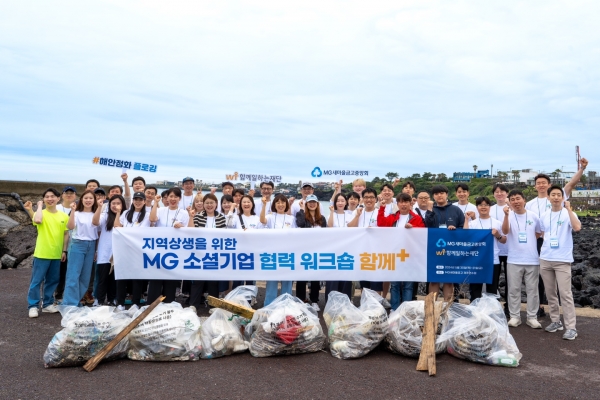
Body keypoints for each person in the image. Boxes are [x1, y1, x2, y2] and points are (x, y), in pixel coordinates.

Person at [539, 185, 581, 340]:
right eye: (553, 195)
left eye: (559, 195)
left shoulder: (568, 214)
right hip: (545, 258)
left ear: (563, 198)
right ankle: (555, 321)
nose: (556, 197)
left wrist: (569, 209)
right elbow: (543, 233)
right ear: (549, 197)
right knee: (550, 293)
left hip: (562, 259)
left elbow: (577, 227)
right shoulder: (544, 215)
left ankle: (571, 327)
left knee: (565, 294)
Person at [24, 189, 69, 317]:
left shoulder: (64, 216)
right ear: (43, 200)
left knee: (53, 280)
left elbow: (66, 234)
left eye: (52, 196)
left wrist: (64, 250)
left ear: (58, 198)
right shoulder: (40, 213)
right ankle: (33, 306)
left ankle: (47, 304)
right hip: (42, 253)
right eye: (47, 197)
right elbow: (37, 220)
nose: (50, 199)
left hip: (56, 254)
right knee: (36, 281)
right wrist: (38, 206)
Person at [502, 189, 543, 329]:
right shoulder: (509, 215)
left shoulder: (533, 216)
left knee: (533, 290)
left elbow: (538, 233)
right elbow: (505, 231)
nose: (515, 201)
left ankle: (532, 317)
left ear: (524, 200)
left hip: (532, 259)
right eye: (512, 199)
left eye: (518, 198)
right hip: (513, 259)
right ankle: (515, 316)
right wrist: (506, 216)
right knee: (514, 289)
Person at [378, 193, 425, 310]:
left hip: (410, 256)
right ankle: (395, 309)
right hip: (394, 254)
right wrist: (382, 208)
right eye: (401, 202)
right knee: (394, 285)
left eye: (406, 202)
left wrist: (414, 229)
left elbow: (423, 233)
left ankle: (406, 310)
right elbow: (381, 223)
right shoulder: (393, 217)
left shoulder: (417, 218)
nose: (403, 204)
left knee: (408, 286)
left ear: (410, 204)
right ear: (397, 204)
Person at [147, 187, 190, 303]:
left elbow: (189, 230)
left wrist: (181, 227)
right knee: (156, 278)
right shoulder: (161, 210)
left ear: (179, 198)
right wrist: (155, 203)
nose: (173, 199)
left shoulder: (184, 213)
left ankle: (169, 303)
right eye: (170, 196)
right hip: (159, 249)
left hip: (174, 250)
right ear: (166, 198)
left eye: (176, 196)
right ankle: (152, 303)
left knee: (170, 279)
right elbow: (152, 219)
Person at [424, 185, 465, 301]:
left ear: (447, 194)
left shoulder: (456, 210)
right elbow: (427, 224)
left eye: (442, 193)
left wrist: (455, 229)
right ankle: (431, 309)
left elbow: (463, 228)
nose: (439, 195)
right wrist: (429, 210)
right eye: (436, 194)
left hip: (451, 250)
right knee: (433, 279)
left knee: (449, 280)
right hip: (433, 250)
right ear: (433, 196)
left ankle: (448, 308)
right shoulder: (431, 209)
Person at [187, 193, 226, 311]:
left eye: (211, 203)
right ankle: (193, 305)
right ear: (203, 204)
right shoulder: (198, 216)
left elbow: (224, 235)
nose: (209, 205)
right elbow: (191, 231)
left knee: (213, 281)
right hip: (200, 253)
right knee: (198, 281)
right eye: (207, 203)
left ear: (216, 204)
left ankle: (213, 305)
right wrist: (191, 217)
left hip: (214, 253)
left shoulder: (221, 217)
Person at [463, 196, 506, 300]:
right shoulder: (472, 223)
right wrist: (466, 219)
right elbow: (465, 236)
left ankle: (490, 313)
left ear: (489, 207)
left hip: (493, 260)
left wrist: (497, 235)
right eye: (480, 205)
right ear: (477, 207)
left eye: (486, 205)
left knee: (492, 288)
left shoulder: (497, 223)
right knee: (475, 288)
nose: (483, 207)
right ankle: (474, 312)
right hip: (476, 260)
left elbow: (504, 240)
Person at [114, 191, 152, 309]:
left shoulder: (147, 215)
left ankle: (136, 302)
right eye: (136, 199)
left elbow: (153, 222)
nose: (138, 202)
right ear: (133, 201)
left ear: (145, 201)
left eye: (140, 199)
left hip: (139, 251)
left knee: (137, 277)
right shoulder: (125, 213)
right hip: (124, 249)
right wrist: (118, 212)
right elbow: (117, 226)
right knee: (122, 276)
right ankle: (120, 302)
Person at [63, 189, 99, 306]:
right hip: (78, 244)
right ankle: (69, 304)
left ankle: (77, 300)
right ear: (81, 200)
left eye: (91, 198)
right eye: (86, 198)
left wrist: (96, 250)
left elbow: (97, 230)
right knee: (73, 275)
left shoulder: (96, 214)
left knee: (85, 276)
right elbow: (70, 226)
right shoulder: (77, 213)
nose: (88, 200)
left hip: (91, 244)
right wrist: (73, 211)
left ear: (94, 200)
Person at [260, 194, 296, 306]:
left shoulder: (292, 218)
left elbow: (296, 235)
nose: (280, 205)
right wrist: (264, 205)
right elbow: (262, 220)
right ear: (274, 204)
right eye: (278, 202)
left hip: (287, 255)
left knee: (287, 282)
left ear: (286, 204)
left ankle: (287, 305)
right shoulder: (270, 216)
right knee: (272, 282)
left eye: (283, 202)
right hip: (273, 254)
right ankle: (269, 306)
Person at [526, 174, 553, 318]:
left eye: (544, 183)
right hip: (536, 241)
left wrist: (582, 169)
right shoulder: (529, 204)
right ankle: (538, 305)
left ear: (549, 184)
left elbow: (571, 184)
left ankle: (547, 304)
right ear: (535, 186)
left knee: (547, 273)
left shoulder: (555, 199)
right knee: (536, 273)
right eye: (538, 183)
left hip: (552, 242)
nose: (541, 185)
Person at [92, 194, 125, 307]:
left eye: (118, 203)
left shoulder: (125, 216)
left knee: (114, 278)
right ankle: (99, 299)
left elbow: (118, 226)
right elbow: (95, 222)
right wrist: (99, 207)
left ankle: (112, 299)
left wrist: (118, 213)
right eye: (113, 203)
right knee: (102, 278)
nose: (115, 206)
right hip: (105, 251)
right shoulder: (105, 215)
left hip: (118, 252)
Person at [348, 188, 383, 296]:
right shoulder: (357, 211)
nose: (369, 200)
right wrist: (358, 215)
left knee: (376, 281)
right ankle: (365, 305)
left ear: (375, 199)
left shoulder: (380, 212)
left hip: (377, 252)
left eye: (371, 197)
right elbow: (349, 228)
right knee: (364, 281)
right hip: (362, 252)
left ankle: (376, 307)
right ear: (362, 199)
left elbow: (385, 229)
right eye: (366, 197)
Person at [295, 194, 326, 311]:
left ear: (317, 204)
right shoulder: (300, 214)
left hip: (317, 251)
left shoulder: (322, 218)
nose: (312, 204)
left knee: (315, 277)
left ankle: (314, 300)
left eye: (314, 202)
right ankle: (301, 300)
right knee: (301, 277)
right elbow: (301, 224)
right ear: (306, 204)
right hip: (304, 251)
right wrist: (302, 210)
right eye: (309, 202)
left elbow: (325, 234)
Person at [325, 193, 354, 301]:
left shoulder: (350, 214)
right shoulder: (331, 214)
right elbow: (330, 226)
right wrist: (332, 212)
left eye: (342, 201)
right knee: (333, 277)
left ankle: (345, 302)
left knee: (346, 277)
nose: (340, 203)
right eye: (338, 201)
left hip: (347, 250)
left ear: (346, 202)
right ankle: (331, 302)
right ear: (335, 203)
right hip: (334, 249)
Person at [490, 183, 511, 316]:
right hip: (494, 250)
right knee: (493, 280)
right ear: (493, 194)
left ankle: (509, 306)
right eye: (497, 191)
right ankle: (493, 306)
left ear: (507, 194)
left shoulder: (512, 208)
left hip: (510, 250)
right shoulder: (490, 209)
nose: (499, 194)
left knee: (511, 280)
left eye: (502, 191)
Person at [54, 186, 77, 303]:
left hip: (74, 246)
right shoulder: (56, 208)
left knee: (71, 272)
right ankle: (56, 295)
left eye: (71, 193)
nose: (69, 195)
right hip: (58, 245)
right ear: (62, 195)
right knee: (57, 272)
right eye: (66, 193)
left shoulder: (78, 209)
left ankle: (66, 295)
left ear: (75, 196)